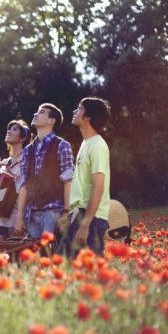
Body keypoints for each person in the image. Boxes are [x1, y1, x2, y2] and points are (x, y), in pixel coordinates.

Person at [15, 103, 74, 240]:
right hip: (31, 214)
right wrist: (19, 217)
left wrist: (66, 212)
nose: (36, 114)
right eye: (36, 111)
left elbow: (68, 181)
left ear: (51, 121)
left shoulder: (62, 145)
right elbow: (23, 184)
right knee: (36, 256)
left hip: (52, 211)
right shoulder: (27, 150)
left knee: (50, 253)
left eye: (41, 112)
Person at [63, 97, 111, 256]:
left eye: (79, 109)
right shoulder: (86, 143)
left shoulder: (97, 145)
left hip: (92, 219)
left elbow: (98, 187)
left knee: (91, 273)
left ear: (88, 117)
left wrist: (85, 225)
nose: (74, 111)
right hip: (79, 213)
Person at [0, 119, 33, 240]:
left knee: (15, 256)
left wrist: (20, 218)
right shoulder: (4, 162)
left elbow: (26, 189)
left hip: (16, 218)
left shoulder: (28, 160)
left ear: (23, 138)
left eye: (14, 129)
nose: (9, 131)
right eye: (9, 128)